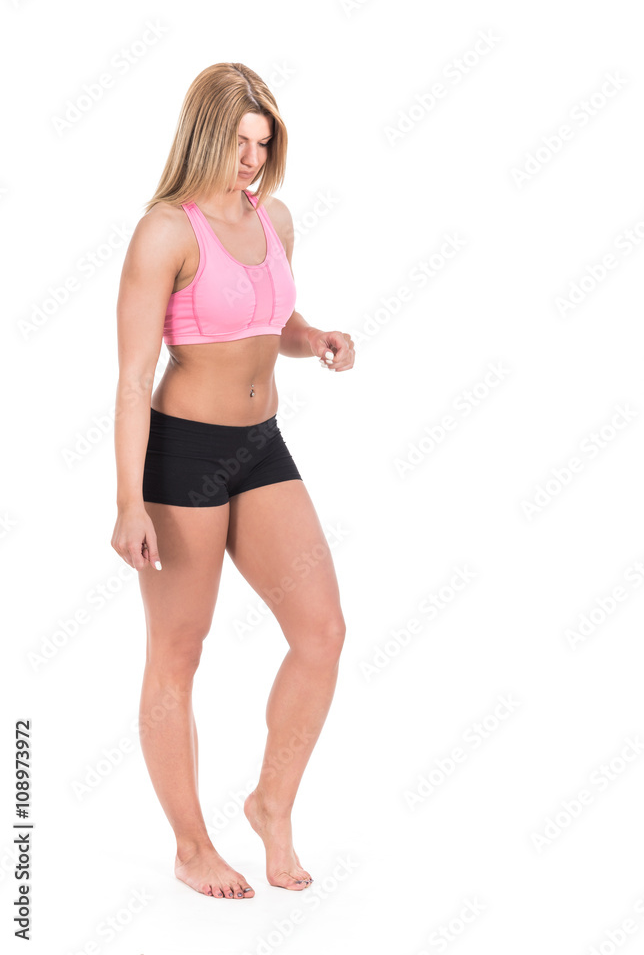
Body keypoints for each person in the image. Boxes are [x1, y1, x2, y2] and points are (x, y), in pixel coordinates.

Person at [110, 62, 355, 901]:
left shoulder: (272, 217)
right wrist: (129, 501)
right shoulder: (164, 232)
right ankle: (190, 847)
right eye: (240, 140)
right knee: (179, 652)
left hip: (260, 446)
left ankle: (269, 804)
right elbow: (133, 378)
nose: (252, 158)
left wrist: (312, 337)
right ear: (207, 134)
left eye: (263, 142)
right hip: (182, 456)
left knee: (322, 632)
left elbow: (265, 317)